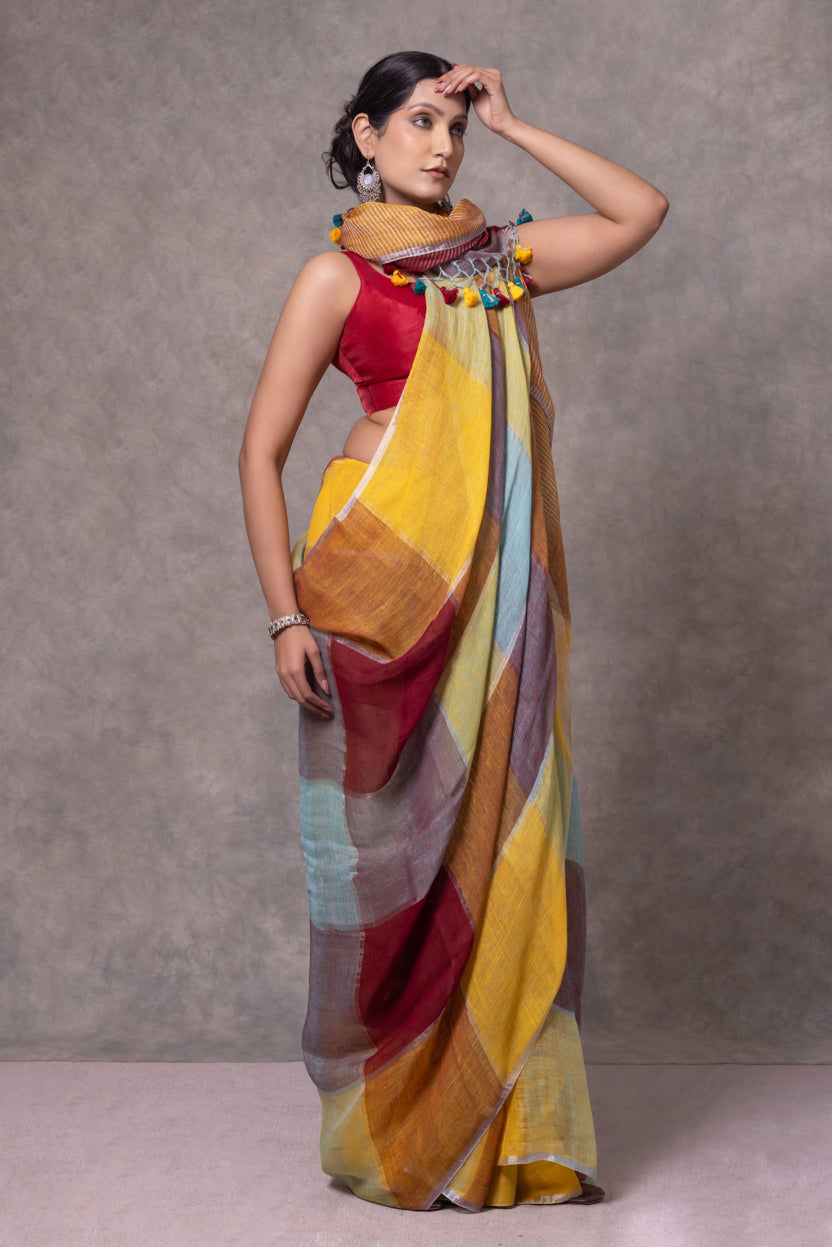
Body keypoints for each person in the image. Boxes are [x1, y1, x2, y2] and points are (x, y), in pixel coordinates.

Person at [239, 50, 668, 1212]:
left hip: (494, 597)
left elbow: (641, 211)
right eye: (418, 122)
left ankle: (506, 1137)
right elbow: (259, 453)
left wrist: (518, 122)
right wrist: (284, 611)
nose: (440, 145)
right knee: (388, 861)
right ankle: (396, 1126)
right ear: (365, 136)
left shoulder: (500, 263)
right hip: (372, 595)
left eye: (455, 128)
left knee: (500, 842)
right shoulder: (335, 277)